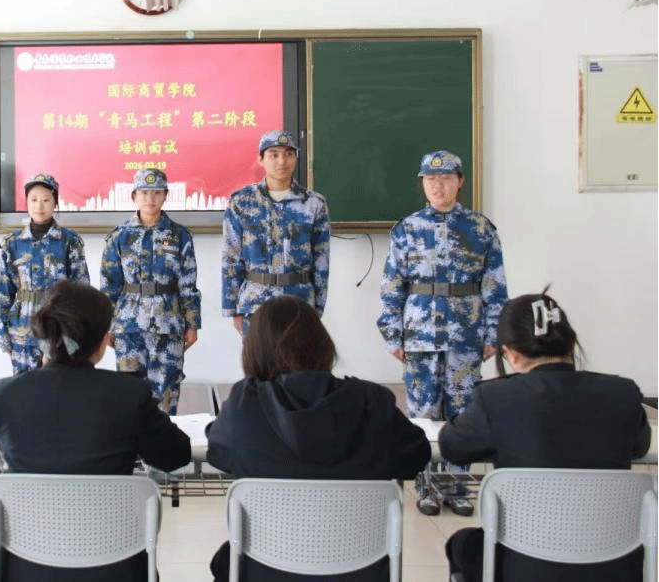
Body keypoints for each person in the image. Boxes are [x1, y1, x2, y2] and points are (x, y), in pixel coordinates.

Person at [206, 296, 431, 582]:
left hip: (267, 572)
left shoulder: (245, 404)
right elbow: (416, 456)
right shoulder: (373, 403)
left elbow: (219, 453)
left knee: (225, 560)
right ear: (323, 344)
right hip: (359, 573)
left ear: (254, 349)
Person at [0, 280, 191, 582]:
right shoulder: (128, 394)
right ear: (102, 342)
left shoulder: (2, 396)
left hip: (28, 569)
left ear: (42, 333)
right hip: (116, 568)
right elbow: (176, 456)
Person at [440, 291, 651, 582]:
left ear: (511, 353)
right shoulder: (623, 394)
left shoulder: (496, 398)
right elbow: (639, 446)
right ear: (571, 344)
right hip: (615, 566)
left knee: (462, 544)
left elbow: (452, 447)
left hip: (525, 567)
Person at [376, 150, 507, 515]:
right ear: (422, 183)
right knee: (423, 412)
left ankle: (455, 485)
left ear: (460, 182)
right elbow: (391, 287)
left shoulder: (481, 228)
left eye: (446, 178)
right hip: (419, 335)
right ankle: (426, 486)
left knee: (462, 414)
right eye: (431, 179)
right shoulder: (407, 229)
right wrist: (392, 334)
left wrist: (493, 334)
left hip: (466, 335)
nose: (438, 185)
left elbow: (495, 287)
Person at [99, 168, 201, 414]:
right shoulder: (119, 236)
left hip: (169, 325)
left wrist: (192, 324)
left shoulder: (179, 235)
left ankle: (163, 440)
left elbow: (188, 284)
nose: (150, 199)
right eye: (144, 193)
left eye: (156, 193)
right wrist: (107, 326)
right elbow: (109, 285)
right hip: (129, 326)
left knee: (166, 394)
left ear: (165, 195)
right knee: (129, 395)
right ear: (134, 196)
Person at [222, 130, 330, 338]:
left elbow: (321, 261)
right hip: (255, 305)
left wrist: (317, 308)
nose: (282, 161)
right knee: (259, 360)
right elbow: (231, 257)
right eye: (274, 155)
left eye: (289, 154)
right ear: (261, 160)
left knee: (299, 359)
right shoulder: (242, 201)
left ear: (295, 158)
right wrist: (232, 307)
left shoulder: (313, 204)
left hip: (299, 304)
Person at [0, 172, 90, 374]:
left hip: (59, 330)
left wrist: (78, 332)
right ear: (26, 202)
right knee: (24, 388)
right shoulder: (13, 243)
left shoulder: (69, 241)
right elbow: (4, 291)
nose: (39, 206)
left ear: (55, 202)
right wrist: (1, 329)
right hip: (23, 330)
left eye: (46, 200)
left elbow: (81, 290)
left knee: (58, 387)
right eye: (34, 199)